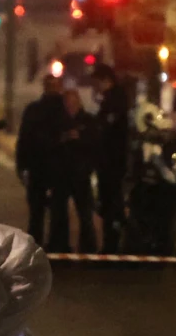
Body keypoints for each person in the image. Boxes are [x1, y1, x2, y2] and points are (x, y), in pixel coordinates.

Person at [15, 75, 65, 246]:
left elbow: (24, 140)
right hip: (55, 169)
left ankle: (37, 247)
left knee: (38, 213)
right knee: (55, 212)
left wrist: (21, 166)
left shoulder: (34, 109)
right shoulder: (63, 110)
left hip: (40, 168)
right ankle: (56, 246)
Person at [49, 90, 98, 253]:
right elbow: (48, 143)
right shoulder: (57, 121)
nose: (70, 106)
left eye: (73, 102)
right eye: (67, 103)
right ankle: (59, 245)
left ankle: (88, 247)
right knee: (58, 212)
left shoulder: (88, 121)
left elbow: (95, 143)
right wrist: (63, 138)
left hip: (81, 173)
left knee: (85, 212)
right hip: (61, 173)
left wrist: (81, 137)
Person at [92, 64, 130, 254]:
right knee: (110, 203)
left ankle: (111, 245)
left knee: (111, 203)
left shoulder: (115, 100)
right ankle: (111, 243)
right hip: (111, 161)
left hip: (112, 162)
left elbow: (106, 129)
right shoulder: (114, 99)